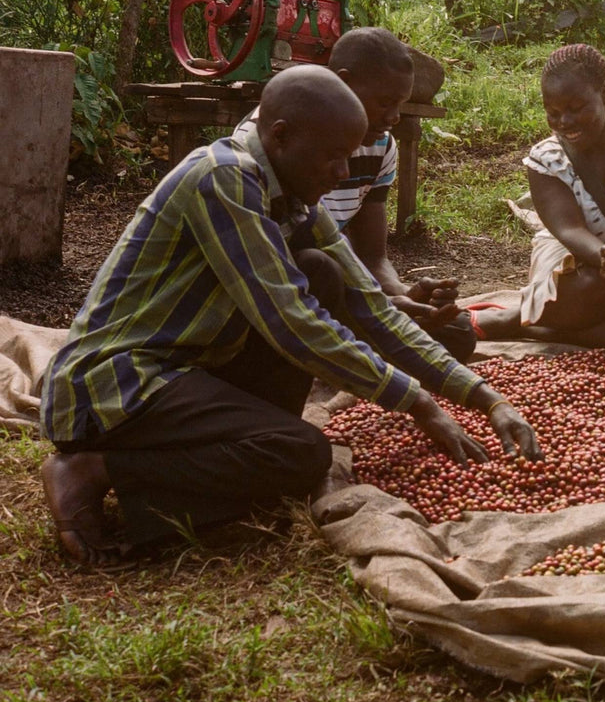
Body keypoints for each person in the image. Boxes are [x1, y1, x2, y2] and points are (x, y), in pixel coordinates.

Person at [38, 67, 541, 569]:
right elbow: (293, 324)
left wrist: (482, 396)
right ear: (280, 136)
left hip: (185, 366)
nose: (343, 174)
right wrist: (416, 403)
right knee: (301, 454)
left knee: (321, 271)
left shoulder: (292, 197)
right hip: (117, 382)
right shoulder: (223, 179)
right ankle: (93, 470)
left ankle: (250, 440)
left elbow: (372, 306)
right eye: (334, 157)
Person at [232, 26, 474, 360]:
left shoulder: (380, 144)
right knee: (319, 272)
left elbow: (372, 257)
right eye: (385, 103)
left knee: (456, 333)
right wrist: (378, 308)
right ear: (345, 83)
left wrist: (402, 294)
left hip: (340, 283)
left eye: (401, 105)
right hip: (282, 284)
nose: (393, 118)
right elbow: (277, 264)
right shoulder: (269, 142)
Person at [468, 45, 605, 348]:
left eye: (576, 108)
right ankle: (518, 318)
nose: (564, 122)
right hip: (572, 259)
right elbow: (569, 230)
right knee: (596, 287)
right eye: (553, 113)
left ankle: (531, 324)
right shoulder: (546, 161)